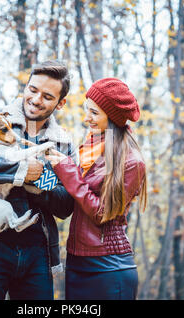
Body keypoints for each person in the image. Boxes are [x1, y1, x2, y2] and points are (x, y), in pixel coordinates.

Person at [0, 60, 77, 300]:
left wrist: (39, 181)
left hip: (38, 250)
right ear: (26, 86)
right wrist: (20, 170)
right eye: (33, 89)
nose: (37, 99)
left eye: (48, 96)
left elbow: (66, 205)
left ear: (61, 103)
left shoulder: (63, 144)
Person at [45, 78, 147, 300]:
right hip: (77, 262)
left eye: (94, 113)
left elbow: (102, 213)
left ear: (112, 117)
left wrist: (68, 171)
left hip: (109, 267)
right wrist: (41, 180)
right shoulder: (89, 148)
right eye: (86, 110)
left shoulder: (131, 161)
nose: (86, 118)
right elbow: (73, 199)